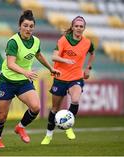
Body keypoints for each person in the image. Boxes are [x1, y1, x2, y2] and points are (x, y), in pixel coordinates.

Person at [0, 10, 60, 148]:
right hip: (7, 82)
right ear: (19, 26)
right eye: (25, 25)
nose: (28, 29)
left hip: (23, 81)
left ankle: (20, 127)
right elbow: (10, 64)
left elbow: (39, 55)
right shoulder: (13, 42)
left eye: (31, 26)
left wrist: (50, 68)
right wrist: (26, 72)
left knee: (36, 107)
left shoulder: (36, 41)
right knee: (1, 116)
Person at [41, 16, 95, 145]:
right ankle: (48, 135)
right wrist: (65, 60)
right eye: (76, 26)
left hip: (76, 77)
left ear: (84, 28)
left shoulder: (87, 42)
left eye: (81, 26)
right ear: (72, 27)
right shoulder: (63, 40)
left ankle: (68, 126)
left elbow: (92, 53)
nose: (78, 28)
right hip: (60, 77)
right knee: (55, 108)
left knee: (75, 100)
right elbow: (54, 57)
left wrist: (88, 68)